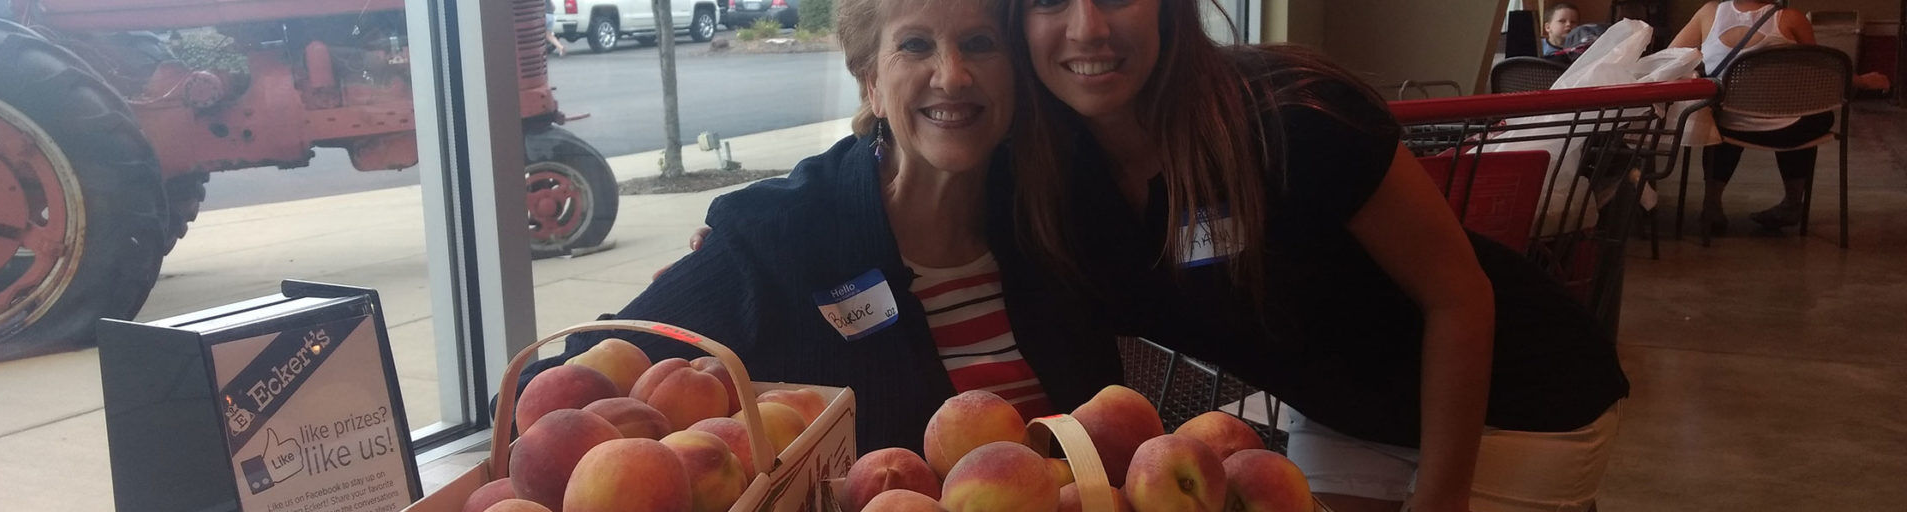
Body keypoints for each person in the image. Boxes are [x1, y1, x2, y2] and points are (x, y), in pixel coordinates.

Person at [1006, 1, 1628, 511]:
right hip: (1343, 415)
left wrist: (1442, 498)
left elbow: (1458, 296)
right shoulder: (1047, 183)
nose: (1087, 27)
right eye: (1048, 1)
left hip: (1513, 396)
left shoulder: (1290, 113)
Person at [517, 0, 1123, 453]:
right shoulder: (779, 238)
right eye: (915, 45)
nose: (953, 75)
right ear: (871, 83)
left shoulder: (1050, 217)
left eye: (980, 43)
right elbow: (543, 402)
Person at [1670, 0, 1890, 233]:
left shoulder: (1708, 14)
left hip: (1728, 128)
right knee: (1808, 112)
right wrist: (1864, 81)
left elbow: (1672, 57)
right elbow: (1827, 69)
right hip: (1789, 131)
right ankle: (1792, 203)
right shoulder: (1792, 19)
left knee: (1720, 114)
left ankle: (1712, 204)